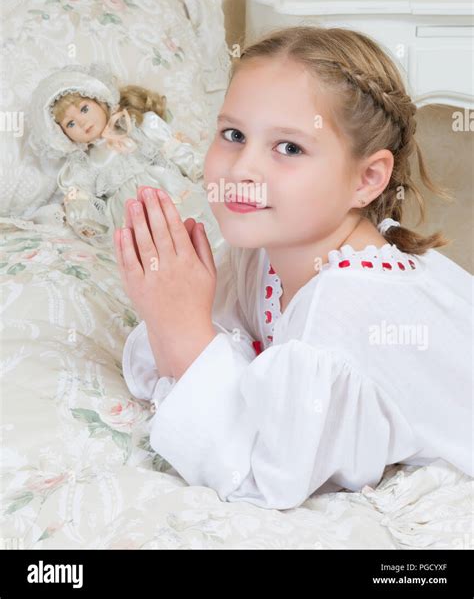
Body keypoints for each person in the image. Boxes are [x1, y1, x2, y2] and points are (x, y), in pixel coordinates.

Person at [115, 26, 473, 510]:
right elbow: (206, 352)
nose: (243, 169)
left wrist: (180, 328)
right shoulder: (267, 248)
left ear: (367, 179)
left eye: (289, 148)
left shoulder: (346, 305)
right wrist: (170, 305)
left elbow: (262, 473)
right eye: (234, 134)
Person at [27, 62, 223, 252]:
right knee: (151, 245)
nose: (81, 121)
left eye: (84, 109)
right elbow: (82, 198)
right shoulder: (81, 164)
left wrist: (199, 168)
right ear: (62, 135)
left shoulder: (135, 126)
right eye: (70, 124)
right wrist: (86, 220)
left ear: (100, 100)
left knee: (190, 223)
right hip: (130, 211)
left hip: (165, 189)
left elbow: (171, 148)